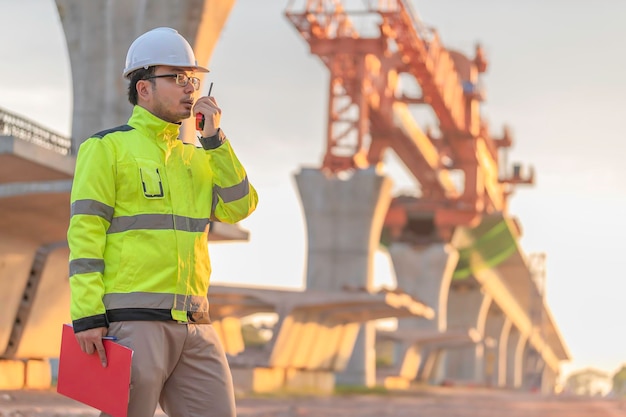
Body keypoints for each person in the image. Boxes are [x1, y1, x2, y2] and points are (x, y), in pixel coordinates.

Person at [67, 27, 258, 417]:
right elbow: (86, 235)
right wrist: (87, 315)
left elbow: (240, 206)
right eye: (176, 77)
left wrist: (215, 140)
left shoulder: (199, 157)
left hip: (195, 323)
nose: (189, 88)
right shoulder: (107, 149)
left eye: (193, 79)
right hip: (132, 324)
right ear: (144, 88)